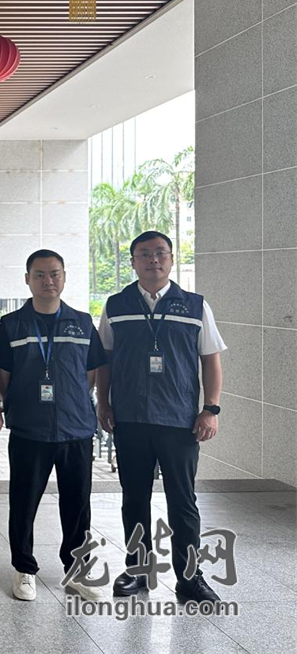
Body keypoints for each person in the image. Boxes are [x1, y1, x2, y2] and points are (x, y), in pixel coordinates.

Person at [96, 231, 226, 603]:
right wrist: (103, 403)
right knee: (134, 498)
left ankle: (190, 578)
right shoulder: (116, 305)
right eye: (145, 254)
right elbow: (105, 359)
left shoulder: (195, 306)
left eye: (160, 253)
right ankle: (138, 570)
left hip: (180, 421)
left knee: (182, 501)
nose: (153, 260)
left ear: (171, 258)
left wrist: (211, 408)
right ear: (133, 261)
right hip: (131, 419)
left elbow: (211, 360)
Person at [0, 249, 107, 603]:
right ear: (27, 279)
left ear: (64, 277)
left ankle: (76, 571)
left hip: (76, 428)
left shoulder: (83, 323)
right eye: (40, 274)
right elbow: (1, 376)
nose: (48, 281)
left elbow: (90, 374)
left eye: (54, 273)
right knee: (23, 503)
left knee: (77, 505)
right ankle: (24, 569)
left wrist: (71, 399)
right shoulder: (11, 325)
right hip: (30, 429)